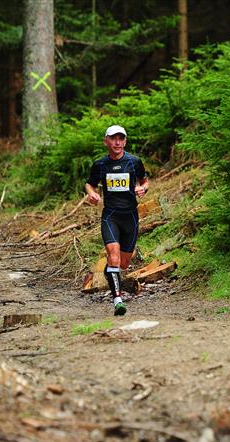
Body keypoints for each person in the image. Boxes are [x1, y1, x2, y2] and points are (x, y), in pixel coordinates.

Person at [85, 125, 149, 316]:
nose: (117, 142)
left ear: (125, 142)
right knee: (113, 256)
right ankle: (118, 301)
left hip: (130, 216)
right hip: (110, 216)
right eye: (113, 139)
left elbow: (145, 181)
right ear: (106, 141)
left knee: (123, 264)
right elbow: (89, 184)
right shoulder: (100, 165)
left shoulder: (134, 161)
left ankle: (110, 271)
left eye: (121, 139)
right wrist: (91, 193)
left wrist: (143, 189)